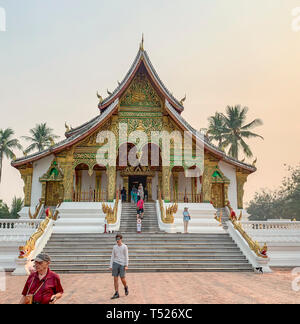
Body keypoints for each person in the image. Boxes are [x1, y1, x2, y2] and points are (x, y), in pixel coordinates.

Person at [109, 234, 129, 299]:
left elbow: (126, 256)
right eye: (116, 239)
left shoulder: (124, 246)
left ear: (121, 239)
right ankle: (116, 293)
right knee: (115, 279)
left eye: (118, 239)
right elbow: (112, 256)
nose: (117, 240)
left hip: (122, 264)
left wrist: (126, 265)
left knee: (122, 278)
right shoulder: (114, 247)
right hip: (115, 263)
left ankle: (126, 287)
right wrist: (110, 265)